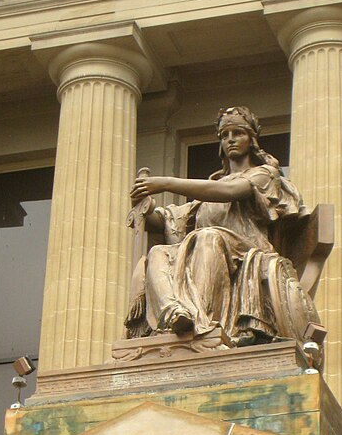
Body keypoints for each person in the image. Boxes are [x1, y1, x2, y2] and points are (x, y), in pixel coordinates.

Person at [124, 106, 320, 346]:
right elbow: (167, 221)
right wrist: (144, 204)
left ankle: (203, 326)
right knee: (158, 253)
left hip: (245, 252)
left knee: (208, 237)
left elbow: (231, 191)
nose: (230, 140)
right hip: (207, 248)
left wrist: (165, 183)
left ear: (252, 139)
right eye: (225, 135)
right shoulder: (209, 188)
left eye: (238, 133)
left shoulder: (264, 174)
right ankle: (175, 314)